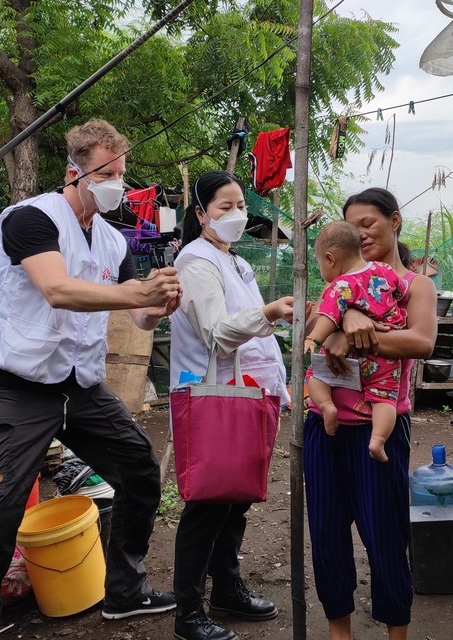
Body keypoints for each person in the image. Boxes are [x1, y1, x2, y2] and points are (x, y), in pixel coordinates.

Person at [0, 118, 182, 640]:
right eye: (106, 173)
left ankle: (126, 591)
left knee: (140, 471)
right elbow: (56, 289)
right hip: (20, 387)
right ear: (74, 172)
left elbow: (137, 317)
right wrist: (136, 293)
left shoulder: (113, 242)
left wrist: (157, 305)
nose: (117, 183)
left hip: (80, 387)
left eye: (121, 173)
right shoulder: (30, 219)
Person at [169, 170, 299, 640]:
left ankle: (226, 588)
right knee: (208, 505)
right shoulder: (196, 261)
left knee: (235, 500)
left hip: (249, 395)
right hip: (216, 397)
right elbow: (219, 335)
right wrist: (269, 312)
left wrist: (279, 386)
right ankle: (188, 613)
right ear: (201, 213)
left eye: (241, 205)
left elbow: (255, 340)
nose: (237, 214)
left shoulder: (234, 260)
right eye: (225, 206)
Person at [303, 187, 438, 640]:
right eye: (353, 226)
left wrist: (362, 332)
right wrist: (343, 317)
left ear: (394, 221)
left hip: (378, 427)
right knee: (326, 534)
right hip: (325, 425)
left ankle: (396, 632)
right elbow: (313, 327)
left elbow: (421, 342)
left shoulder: (414, 285)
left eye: (369, 223)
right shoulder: (339, 278)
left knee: (385, 537)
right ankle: (339, 632)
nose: (361, 233)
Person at [303, 220, 407, 462]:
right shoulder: (383, 269)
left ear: (330, 259)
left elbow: (328, 316)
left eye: (320, 264)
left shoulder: (339, 286)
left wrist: (312, 338)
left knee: (316, 377)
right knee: (385, 398)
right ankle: (378, 439)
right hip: (384, 359)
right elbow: (400, 290)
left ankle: (327, 406)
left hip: (350, 360)